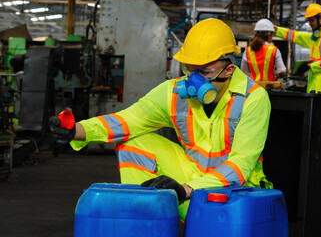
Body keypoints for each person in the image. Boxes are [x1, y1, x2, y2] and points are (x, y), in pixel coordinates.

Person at [49, 18, 272, 222]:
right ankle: (148, 220)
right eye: (189, 69)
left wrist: (186, 189)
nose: (193, 80)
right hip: (191, 176)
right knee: (133, 143)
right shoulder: (175, 93)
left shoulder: (254, 100)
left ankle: (178, 214)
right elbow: (129, 120)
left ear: (229, 70)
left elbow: (241, 164)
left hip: (237, 192)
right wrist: (78, 130)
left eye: (203, 72)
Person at [274, 3, 321, 94]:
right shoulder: (316, 37)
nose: (310, 23)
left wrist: (309, 66)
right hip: (314, 87)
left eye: (311, 20)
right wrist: (277, 30)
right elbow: (297, 36)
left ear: (320, 18)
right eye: (308, 21)